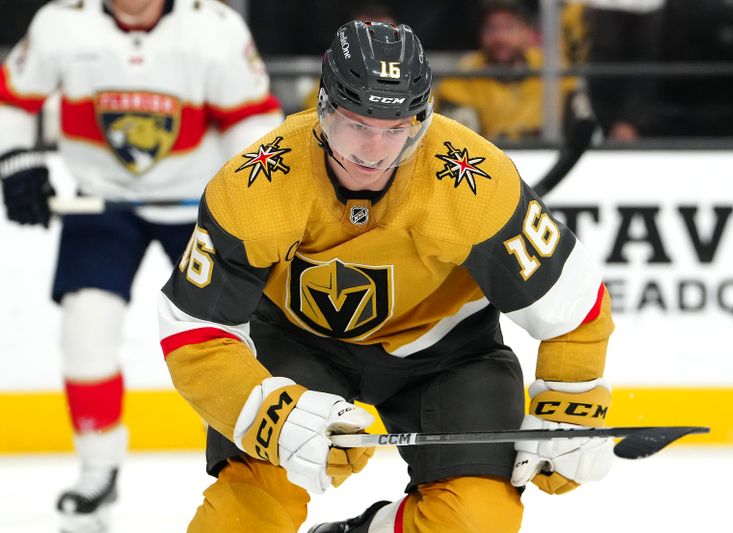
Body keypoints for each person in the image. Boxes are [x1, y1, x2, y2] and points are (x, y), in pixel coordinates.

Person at [159, 20, 614, 533]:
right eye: (358, 124)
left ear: (422, 120)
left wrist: (572, 400)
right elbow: (194, 331)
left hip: (447, 354)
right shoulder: (258, 182)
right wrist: (268, 413)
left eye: (397, 129)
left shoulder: (475, 181)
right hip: (297, 344)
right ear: (324, 110)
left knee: (475, 522)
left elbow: (572, 303)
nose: (375, 152)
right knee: (244, 517)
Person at [0, 0, 282, 531]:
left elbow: (254, 119)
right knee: (85, 333)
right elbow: (13, 98)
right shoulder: (61, 22)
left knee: (244, 330)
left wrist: (246, 194)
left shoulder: (213, 27)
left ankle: (255, 464)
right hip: (100, 204)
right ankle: (97, 470)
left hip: (197, 209)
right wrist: (15, 159)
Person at [434, 0, 583, 143]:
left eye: (509, 27)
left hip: (549, 155)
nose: (500, 37)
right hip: (489, 160)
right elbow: (461, 140)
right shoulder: (464, 75)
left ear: (527, 32)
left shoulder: (551, 67)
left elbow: (580, 118)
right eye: (491, 28)